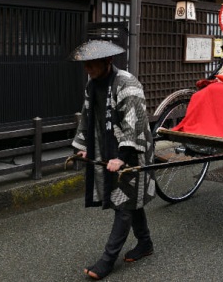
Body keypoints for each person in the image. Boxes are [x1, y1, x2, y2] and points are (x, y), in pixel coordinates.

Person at [69, 40, 156, 280]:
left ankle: (107, 260)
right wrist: (85, 145)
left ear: (108, 61)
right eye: (85, 64)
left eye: (92, 64)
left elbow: (136, 122)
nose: (88, 68)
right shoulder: (92, 83)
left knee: (123, 202)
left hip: (133, 149)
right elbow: (88, 115)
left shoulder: (127, 83)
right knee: (130, 199)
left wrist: (122, 157)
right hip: (108, 147)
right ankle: (145, 243)